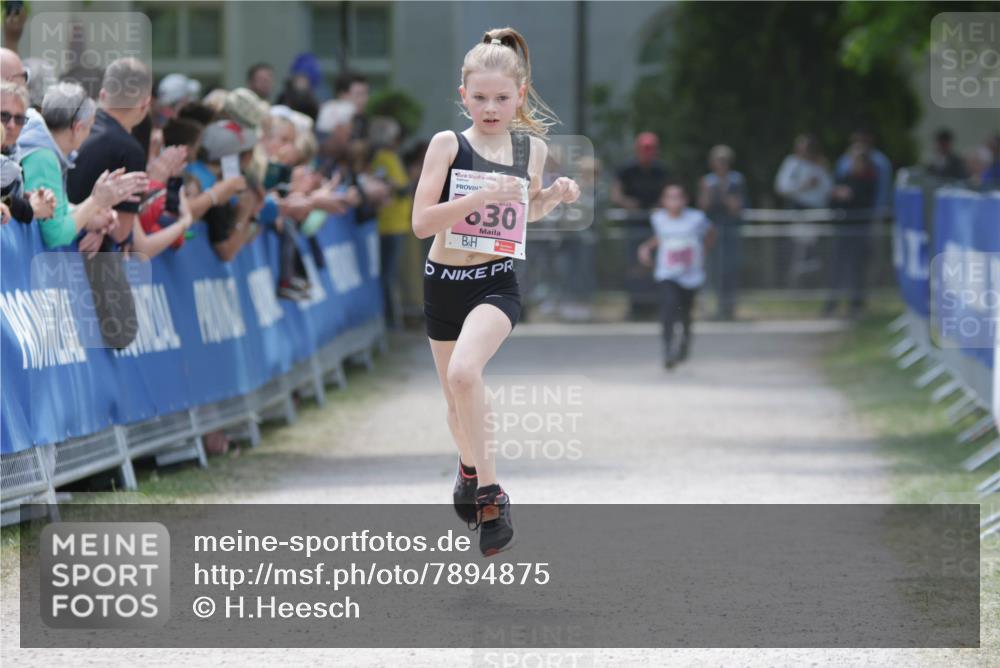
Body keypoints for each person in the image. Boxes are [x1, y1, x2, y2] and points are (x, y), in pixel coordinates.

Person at [411, 27, 579, 556]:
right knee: (454, 404)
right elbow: (421, 223)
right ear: (463, 95)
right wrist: (479, 192)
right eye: (480, 98)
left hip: (495, 281)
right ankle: (467, 468)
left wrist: (553, 196)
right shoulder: (448, 145)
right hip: (445, 281)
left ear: (520, 96)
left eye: (502, 98)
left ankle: (491, 495)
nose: (490, 108)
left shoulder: (531, 148)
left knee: (466, 373)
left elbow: (521, 217)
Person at [18, 82, 147, 250]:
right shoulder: (44, 158)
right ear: (78, 128)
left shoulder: (46, 152)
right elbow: (56, 235)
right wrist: (95, 202)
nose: (90, 134)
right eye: (90, 128)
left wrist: (94, 213)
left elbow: (60, 211)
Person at [638, 183, 715, 369]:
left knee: (685, 313)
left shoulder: (696, 218)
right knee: (668, 309)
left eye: (678, 196)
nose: (674, 201)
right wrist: (646, 248)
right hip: (667, 273)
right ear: (664, 201)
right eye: (670, 197)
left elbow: (711, 233)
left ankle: (684, 343)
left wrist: (702, 252)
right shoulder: (658, 219)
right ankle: (668, 350)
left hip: (691, 274)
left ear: (685, 199)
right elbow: (661, 237)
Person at [824, 145, 878, 318]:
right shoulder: (845, 177)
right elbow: (832, 203)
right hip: (843, 229)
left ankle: (856, 305)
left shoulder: (869, 180)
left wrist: (850, 196)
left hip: (859, 230)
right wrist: (836, 196)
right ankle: (832, 304)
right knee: (837, 267)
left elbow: (866, 203)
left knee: (857, 269)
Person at [370, 116, 410, 329]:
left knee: (390, 273)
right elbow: (395, 185)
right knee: (388, 274)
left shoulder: (390, 157)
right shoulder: (383, 158)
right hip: (389, 224)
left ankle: (392, 319)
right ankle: (390, 321)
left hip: (396, 223)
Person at [698, 144, 746, 320]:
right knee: (712, 270)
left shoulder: (736, 180)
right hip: (712, 233)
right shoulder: (707, 181)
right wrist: (708, 191)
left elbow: (736, 207)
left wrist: (723, 192)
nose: (721, 164)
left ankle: (728, 308)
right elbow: (703, 207)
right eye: (718, 161)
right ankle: (711, 308)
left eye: (724, 161)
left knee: (729, 269)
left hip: (730, 231)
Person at [610, 131, 669, 211]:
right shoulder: (625, 169)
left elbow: (670, 192)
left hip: (657, 215)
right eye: (645, 149)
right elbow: (616, 195)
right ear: (637, 150)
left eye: (652, 149)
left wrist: (660, 204)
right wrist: (627, 202)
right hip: (630, 215)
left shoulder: (662, 170)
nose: (648, 153)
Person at [774, 134, 832, 209]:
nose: (805, 151)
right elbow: (781, 187)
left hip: (818, 209)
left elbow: (829, 189)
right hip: (797, 209)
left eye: (809, 148)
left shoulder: (821, 165)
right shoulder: (791, 162)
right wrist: (803, 185)